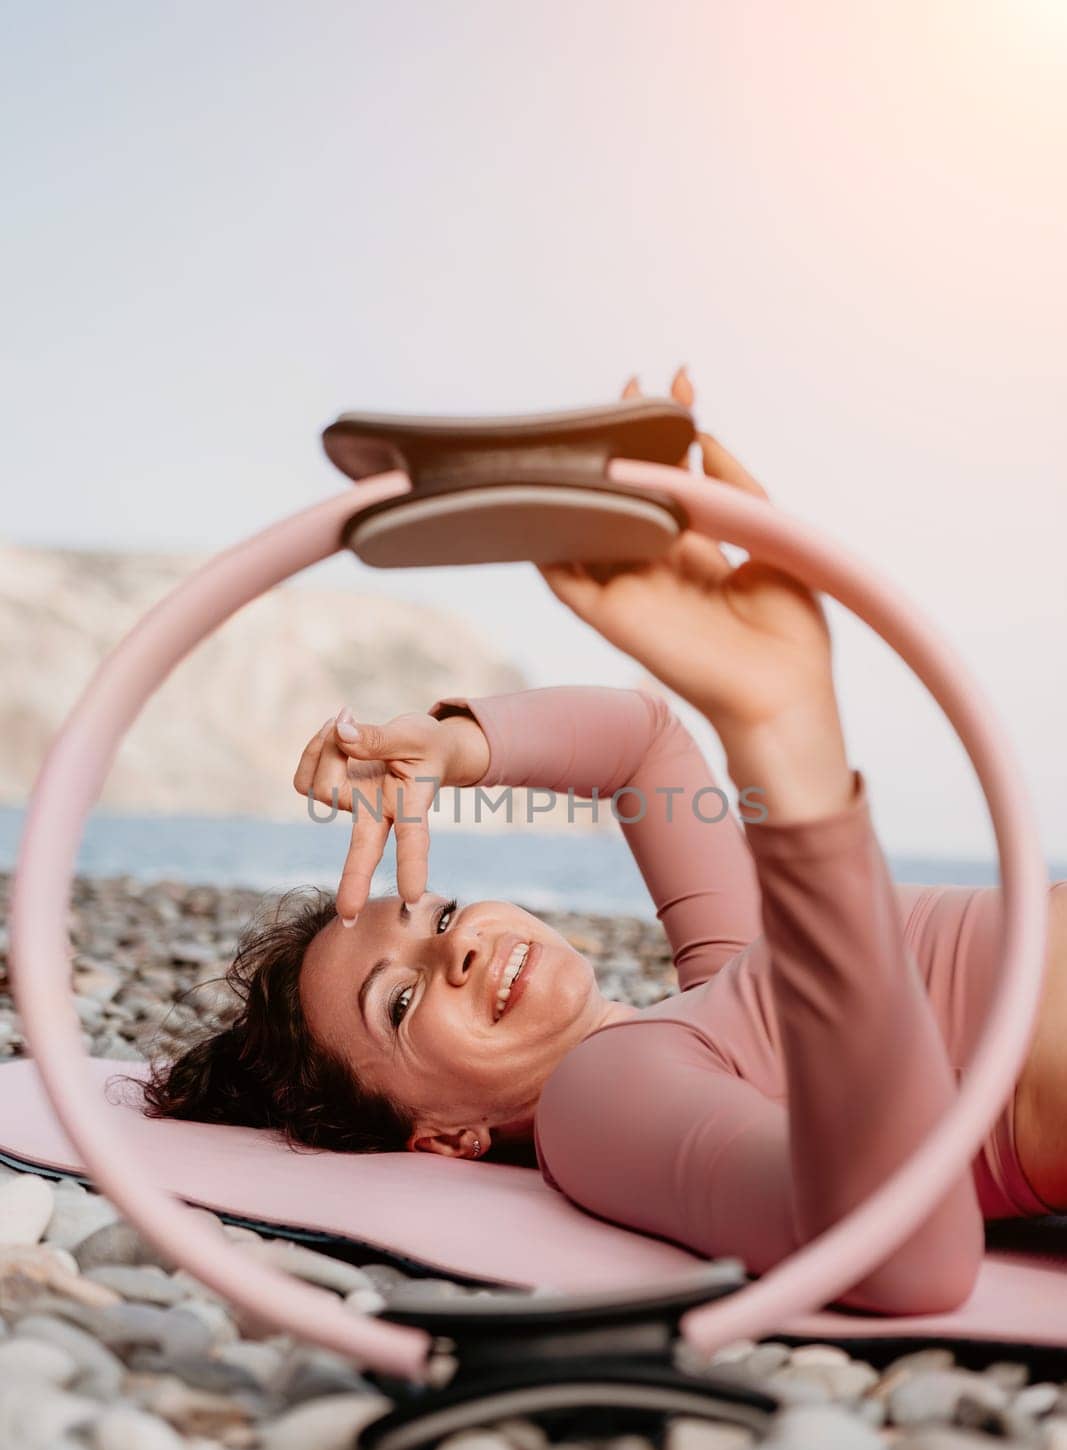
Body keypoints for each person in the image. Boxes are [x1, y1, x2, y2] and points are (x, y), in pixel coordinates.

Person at [142, 370, 1067, 1316]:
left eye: (442, 913)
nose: (458, 945)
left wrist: (451, 743)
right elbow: (898, 1252)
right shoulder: (597, 1099)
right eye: (404, 999)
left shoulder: (724, 977)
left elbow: (640, 744)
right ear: (442, 1137)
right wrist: (784, 733)